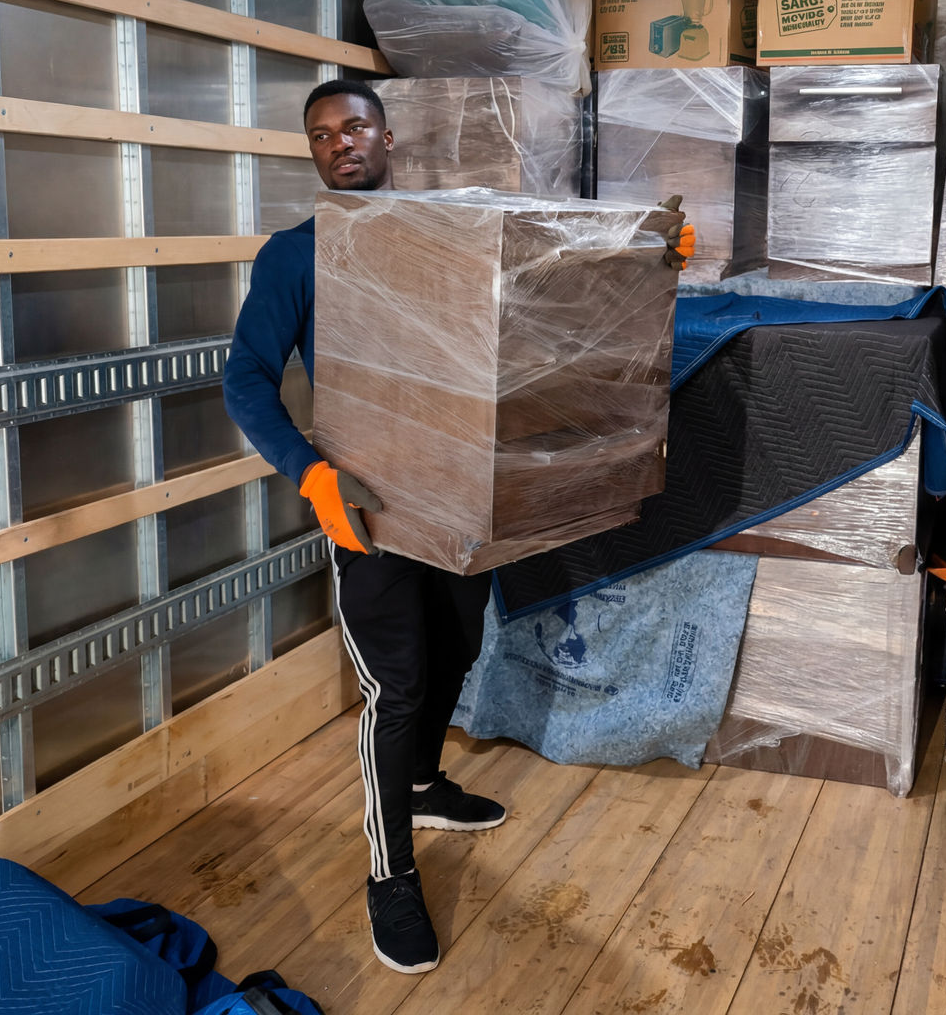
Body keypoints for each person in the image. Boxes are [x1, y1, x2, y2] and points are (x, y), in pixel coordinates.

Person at [222, 79, 694, 974]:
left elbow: (555, 301)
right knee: (395, 686)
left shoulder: (452, 235)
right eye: (320, 135)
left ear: (388, 137)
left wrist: (648, 257)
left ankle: (422, 783)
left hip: (459, 505)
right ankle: (390, 872)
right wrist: (310, 474)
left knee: (456, 650)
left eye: (354, 127)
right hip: (366, 511)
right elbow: (246, 376)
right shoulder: (296, 254)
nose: (339, 144)